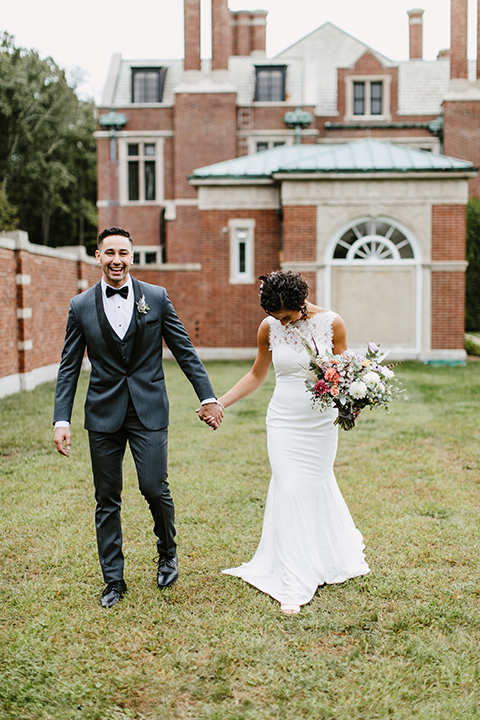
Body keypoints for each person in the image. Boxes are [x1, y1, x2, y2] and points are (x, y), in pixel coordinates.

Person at [53, 227, 223, 608]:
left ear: (132, 256)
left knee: (153, 487)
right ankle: (113, 580)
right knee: (106, 498)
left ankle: (167, 553)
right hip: (102, 414)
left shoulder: (157, 298)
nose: (116, 259)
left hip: (148, 410)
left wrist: (208, 397)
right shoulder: (80, 306)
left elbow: (184, 351)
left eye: (123, 253)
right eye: (109, 252)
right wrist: (60, 419)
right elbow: (68, 368)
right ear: (97, 256)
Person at [217, 270, 369, 615]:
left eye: (286, 316)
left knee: (312, 487)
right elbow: (257, 374)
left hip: (319, 425)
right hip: (283, 421)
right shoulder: (268, 328)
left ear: (302, 304)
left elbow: (346, 370)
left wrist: (352, 402)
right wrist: (220, 401)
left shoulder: (333, 324)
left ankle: (320, 557)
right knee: (287, 488)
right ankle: (294, 581)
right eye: (275, 317)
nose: (281, 323)